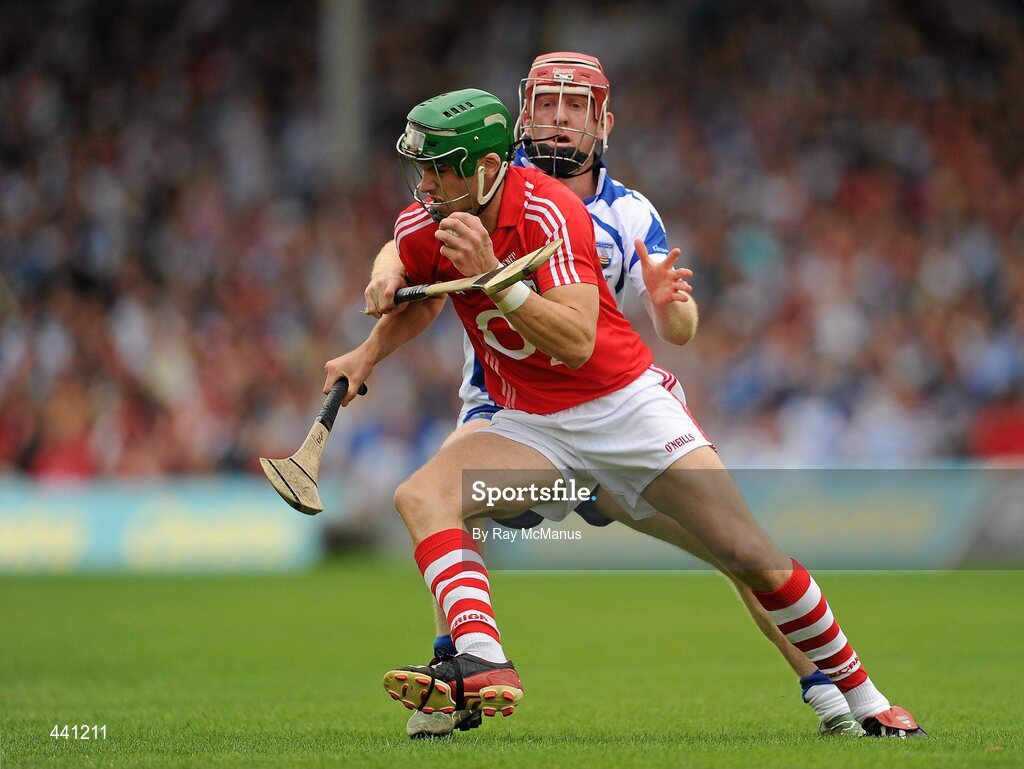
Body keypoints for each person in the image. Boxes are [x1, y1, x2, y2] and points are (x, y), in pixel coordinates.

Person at [326, 85, 925, 740]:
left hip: (624, 410)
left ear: (487, 169)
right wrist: (368, 344)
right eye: (423, 168)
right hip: (531, 426)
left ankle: (862, 695)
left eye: (439, 167)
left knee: (751, 556)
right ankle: (483, 657)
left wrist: (496, 271)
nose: (427, 183)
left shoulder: (551, 210)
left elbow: (577, 339)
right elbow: (411, 271)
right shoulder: (436, 214)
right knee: (422, 494)